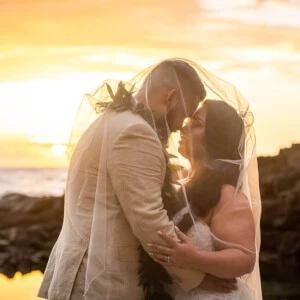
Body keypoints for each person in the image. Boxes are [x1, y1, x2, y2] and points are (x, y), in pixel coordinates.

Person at [38, 59, 235, 300]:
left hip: (80, 274)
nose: (180, 126)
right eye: (185, 114)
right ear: (170, 98)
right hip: (103, 282)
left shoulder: (108, 121)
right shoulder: (136, 133)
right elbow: (149, 220)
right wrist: (198, 277)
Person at [148, 100, 262, 299]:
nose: (184, 128)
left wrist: (194, 258)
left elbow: (245, 259)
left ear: (218, 136)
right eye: (187, 122)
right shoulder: (182, 186)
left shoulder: (226, 193)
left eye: (196, 124)